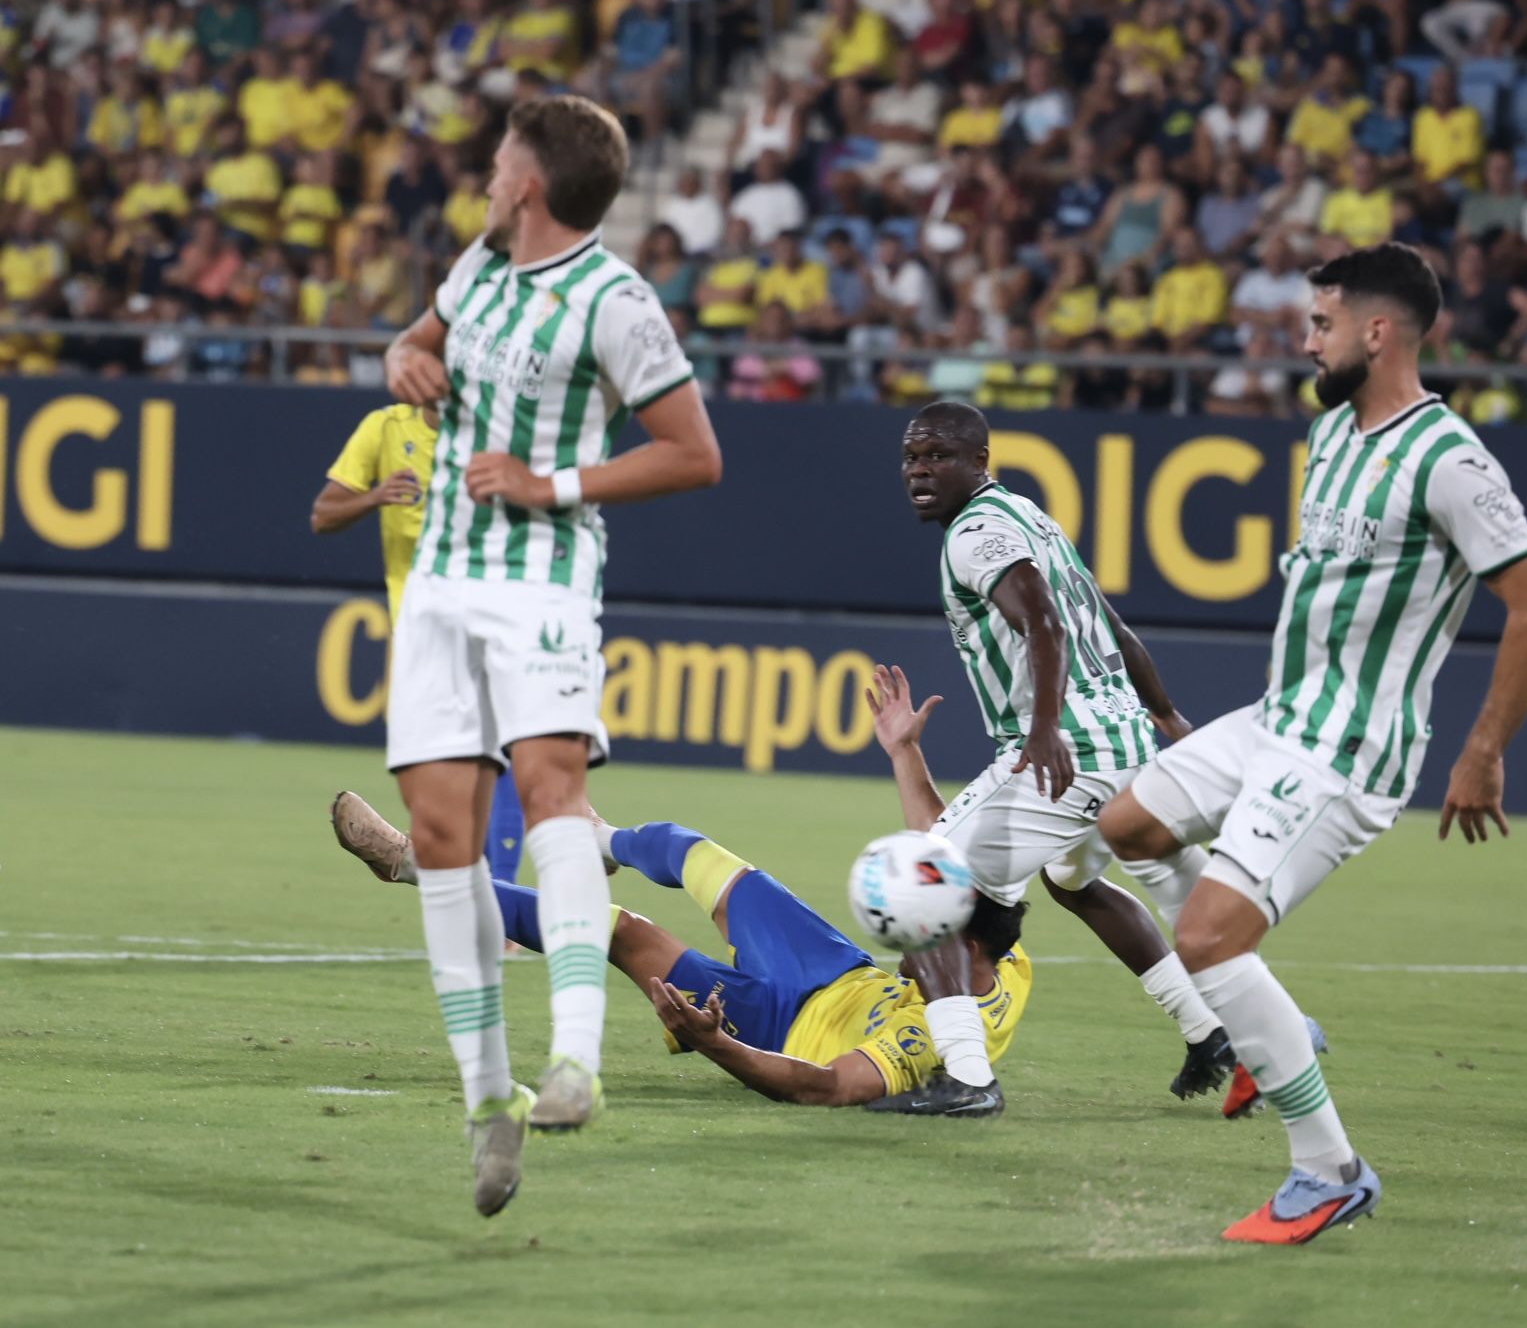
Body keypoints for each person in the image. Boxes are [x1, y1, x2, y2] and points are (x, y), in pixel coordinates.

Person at [1095, 243, 1527, 1244]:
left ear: (1376, 331)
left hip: (1348, 748)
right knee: (1125, 825)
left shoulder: (1448, 459)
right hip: (1281, 717)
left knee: (1209, 939)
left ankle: (1330, 1167)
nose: (1303, 340)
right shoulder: (1336, 434)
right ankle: (1267, 1026)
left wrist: (1482, 750)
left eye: (1319, 324)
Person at [379, 94, 721, 1217]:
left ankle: (578, 1056)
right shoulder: (478, 264)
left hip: (542, 576)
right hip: (439, 577)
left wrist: (548, 482)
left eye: (497, 160)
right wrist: (404, 358)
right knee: (441, 835)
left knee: (551, 788)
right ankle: (491, 1100)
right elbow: (420, 344)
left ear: (529, 180)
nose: (485, 172)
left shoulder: (615, 302)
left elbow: (692, 452)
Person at [865, 401, 1234, 1118]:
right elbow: (1110, 622)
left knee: (917, 887)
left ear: (979, 461)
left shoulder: (974, 534)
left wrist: (1040, 731)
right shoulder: (1028, 517)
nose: (918, 470)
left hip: (1067, 751)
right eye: (911, 457)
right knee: (1071, 877)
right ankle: (1207, 1031)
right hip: (1122, 746)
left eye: (937, 456)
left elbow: (1042, 618)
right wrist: (1163, 714)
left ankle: (968, 1081)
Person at [329, 792, 1031, 1106]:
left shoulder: (932, 1042)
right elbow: (940, 857)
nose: (903, 935)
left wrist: (716, 1045)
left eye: (916, 930)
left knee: (617, 930)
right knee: (690, 848)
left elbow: (825, 1087)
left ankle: (414, 865)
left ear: (957, 941)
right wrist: (903, 752)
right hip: (828, 967)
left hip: (774, 1029)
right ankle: (601, 839)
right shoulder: (1004, 954)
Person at [310, 396, 529, 904]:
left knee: (499, 752)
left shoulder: (494, 432)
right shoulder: (385, 429)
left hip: (490, 615)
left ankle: (501, 900)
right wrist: (376, 496)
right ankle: (477, 889)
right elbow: (324, 515)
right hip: (420, 630)